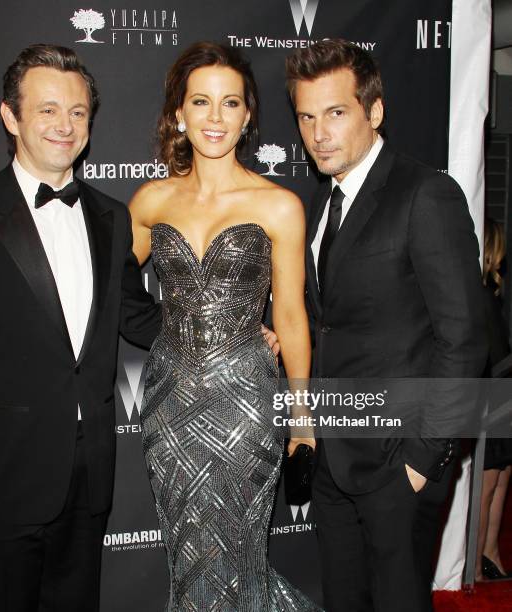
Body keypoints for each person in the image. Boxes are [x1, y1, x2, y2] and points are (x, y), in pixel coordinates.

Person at [0, 44, 162, 612]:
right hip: (0, 475)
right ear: (11, 116)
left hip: (89, 471)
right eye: (47, 109)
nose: (65, 125)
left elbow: (135, 312)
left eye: (77, 112)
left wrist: (231, 334)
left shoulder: (111, 215)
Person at [285, 39, 487, 612]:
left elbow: (464, 338)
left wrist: (422, 461)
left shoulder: (425, 194)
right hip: (333, 458)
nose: (319, 132)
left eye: (336, 112)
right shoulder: (324, 202)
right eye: (306, 116)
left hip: (399, 464)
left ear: (374, 112)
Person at [129, 42, 319, 611]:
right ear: (178, 115)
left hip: (248, 403)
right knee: (189, 559)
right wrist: (172, 328)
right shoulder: (150, 201)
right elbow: (105, 295)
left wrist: (302, 418)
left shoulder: (278, 205)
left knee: (240, 557)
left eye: (230, 103)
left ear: (247, 115)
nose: (215, 117)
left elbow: (289, 314)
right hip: (172, 405)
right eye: (201, 102)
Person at [476, 218, 511, 581]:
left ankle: (491, 555)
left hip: (502, 397)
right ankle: (476, 564)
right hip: (490, 399)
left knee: (500, 480)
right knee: (488, 484)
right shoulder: (481, 296)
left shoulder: (490, 293)